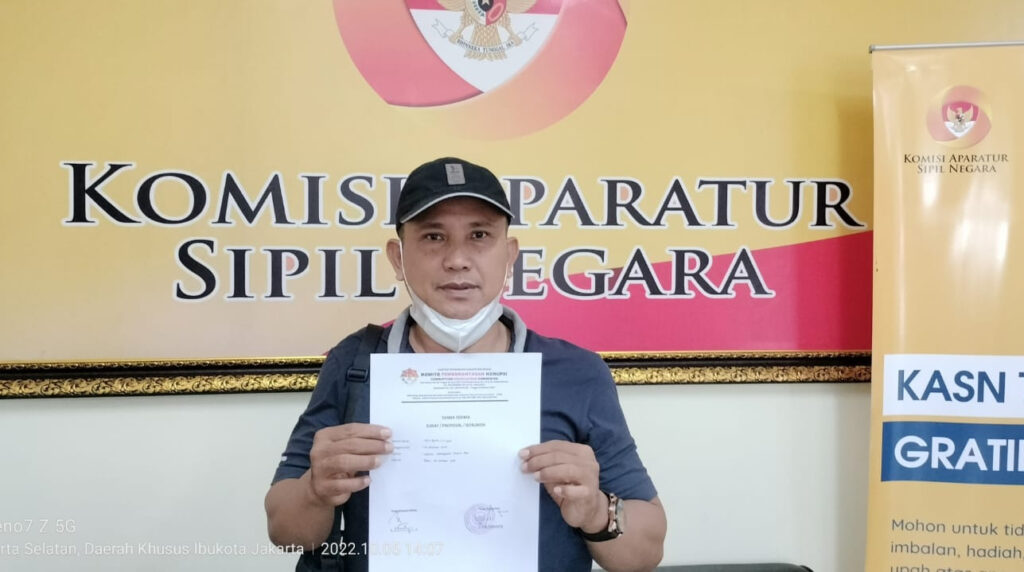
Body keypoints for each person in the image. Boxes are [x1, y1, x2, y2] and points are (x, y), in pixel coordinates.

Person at [264, 157, 666, 571]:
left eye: (479, 235)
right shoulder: (355, 363)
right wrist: (315, 491)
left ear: (509, 255)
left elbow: (646, 553)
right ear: (398, 258)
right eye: (434, 236)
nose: (457, 259)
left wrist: (596, 511)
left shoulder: (577, 372)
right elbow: (285, 531)